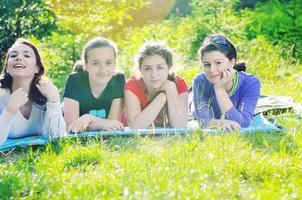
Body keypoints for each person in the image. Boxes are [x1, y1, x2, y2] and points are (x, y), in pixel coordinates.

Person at [0, 38, 66, 145]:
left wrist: (53, 101)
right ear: (7, 67)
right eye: (13, 55)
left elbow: (57, 137)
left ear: (37, 68)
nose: (19, 58)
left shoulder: (47, 91)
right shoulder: (1, 94)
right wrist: (10, 109)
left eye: (26, 55)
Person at [190, 34, 261, 131]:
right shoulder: (200, 81)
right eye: (207, 65)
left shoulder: (251, 83)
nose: (211, 70)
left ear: (232, 62)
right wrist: (221, 123)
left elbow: (242, 124)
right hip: (192, 96)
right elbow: (203, 121)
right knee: (192, 108)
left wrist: (219, 89)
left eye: (218, 63)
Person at [64, 37, 125, 133]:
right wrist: (101, 123)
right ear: (86, 65)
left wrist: (87, 119)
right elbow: (71, 127)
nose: (102, 69)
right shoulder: (75, 80)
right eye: (95, 63)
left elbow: (113, 125)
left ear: (115, 64)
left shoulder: (118, 80)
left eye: (108, 63)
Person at [125, 41, 188, 129]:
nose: (154, 74)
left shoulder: (178, 84)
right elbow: (135, 128)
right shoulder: (132, 85)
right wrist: (163, 96)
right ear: (140, 69)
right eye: (147, 68)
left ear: (169, 66)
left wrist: (171, 89)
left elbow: (180, 127)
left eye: (159, 68)